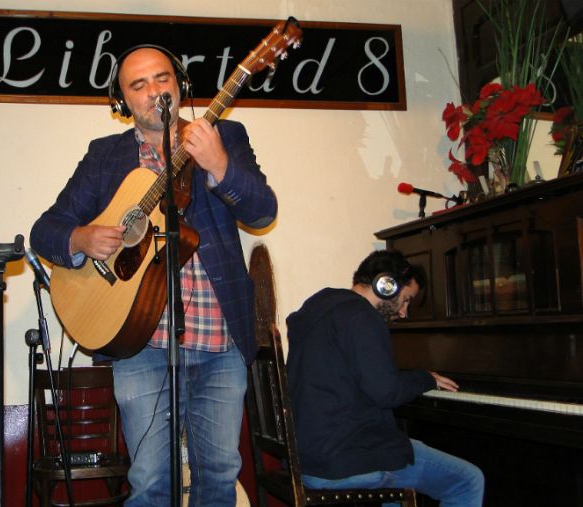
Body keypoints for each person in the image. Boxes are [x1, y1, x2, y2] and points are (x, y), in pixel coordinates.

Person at [30, 45, 277, 506]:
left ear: (180, 86)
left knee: (219, 479)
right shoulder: (105, 156)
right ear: (123, 101)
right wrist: (81, 239)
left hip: (219, 340)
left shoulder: (226, 135)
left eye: (162, 79)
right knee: (150, 482)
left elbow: (264, 213)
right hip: (139, 342)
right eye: (137, 85)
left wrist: (219, 163)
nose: (153, 92)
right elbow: (45, 231)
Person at [285, 249, 485, 507]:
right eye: (406, 299)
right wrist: (426, 378)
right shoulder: (361, 317)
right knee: (467, 480)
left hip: (309, 458)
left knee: (397, 454)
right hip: (344, 460)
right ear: (386, 285)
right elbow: (387, 393)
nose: (404, 312)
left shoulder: (322, 310)